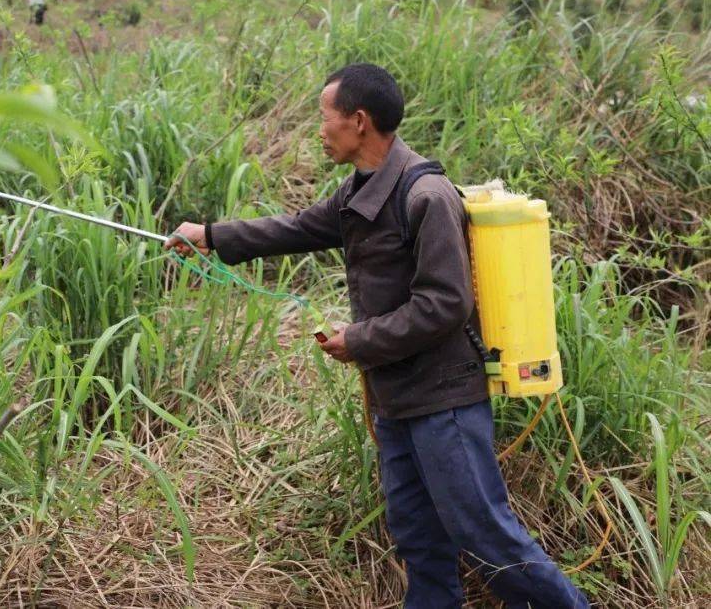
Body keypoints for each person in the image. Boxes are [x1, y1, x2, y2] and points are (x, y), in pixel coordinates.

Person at [165, 63, 589, 609]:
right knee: (418, 538)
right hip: (398, 401)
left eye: (325, 118)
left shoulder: (427, 195)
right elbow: (298, 228)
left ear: (359, 121)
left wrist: (359, 341)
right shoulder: (360, 188)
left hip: (445, 404)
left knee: (487, 539)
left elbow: (445, 303)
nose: (319, 129)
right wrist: (211, 236)